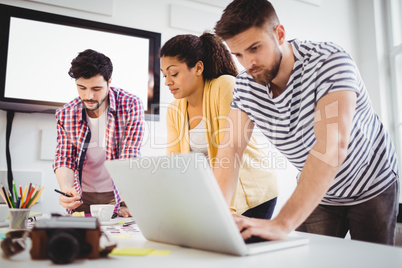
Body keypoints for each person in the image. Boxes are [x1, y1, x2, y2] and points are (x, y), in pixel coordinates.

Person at [213, 0, 399, 245]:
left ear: (279, 34)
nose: (249, 63)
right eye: (238, 54)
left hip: (370, 183)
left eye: (255, 48)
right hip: (320, 194)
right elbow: (231, 148)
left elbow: (331, 146)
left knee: (371, 261)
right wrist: (215, 216)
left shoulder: (329, 62)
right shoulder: (246, 86)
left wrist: (281, 223)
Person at [161, 32, 279, 219]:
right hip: (213, 195)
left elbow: (230, 152)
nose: (167, 81)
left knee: (238, 248)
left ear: (198, 67)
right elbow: (175, 164)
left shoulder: (224, 86)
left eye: (174, 73)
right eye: (164, 75)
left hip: (250, 192)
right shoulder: (174, 109)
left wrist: (221, 208)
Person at [53, 49, 145, 217]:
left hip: (117, 194)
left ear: (109, 82)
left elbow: (130, 153)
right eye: (81, 88)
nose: (88, 96)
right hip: (81, 196)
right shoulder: (65, 113)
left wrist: (126, 200)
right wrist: (66, 189)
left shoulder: (131, 104)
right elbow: (64, 156)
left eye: (96, 88)